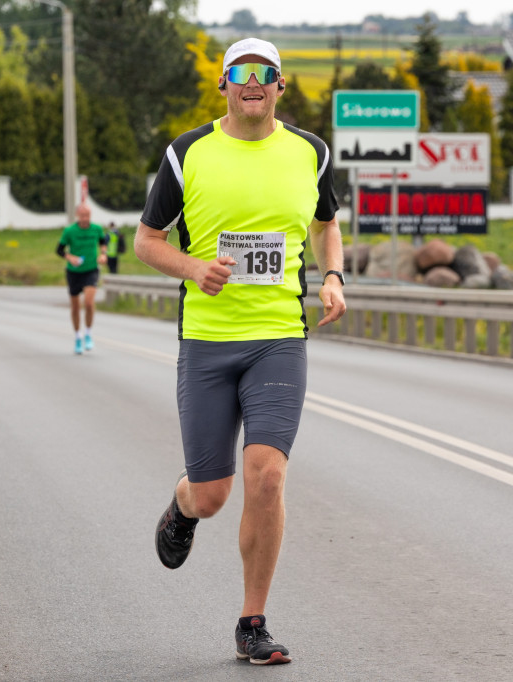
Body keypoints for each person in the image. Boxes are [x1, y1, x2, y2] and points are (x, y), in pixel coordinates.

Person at [134, 37, 346, 666]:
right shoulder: (187, 153)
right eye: (240, 72)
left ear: (281, 85)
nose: (253, 82)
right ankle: (182, 506)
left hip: (279, 337)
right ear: (223, 84)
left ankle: (252, 621)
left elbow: (327, 222)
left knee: (268, 475)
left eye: (266, 73)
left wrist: (334, 277)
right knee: (214, 493)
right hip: (206, 341)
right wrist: (194, 268)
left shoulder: (310, 153)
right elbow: (147, 241)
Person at [56, 204, 107, 354]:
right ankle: (78, 336)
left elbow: (103, 242)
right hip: (73, 272)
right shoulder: (69, 231)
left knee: (89, 303)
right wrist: (70, 257)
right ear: (77, 215)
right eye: (82, 215)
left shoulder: (96, 229)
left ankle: (88, 333)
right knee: (75, 307)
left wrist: (103, 254)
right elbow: (59, 250)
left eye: (87, 215)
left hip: (91, 269)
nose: (85, 219)